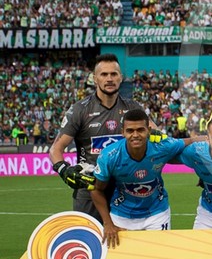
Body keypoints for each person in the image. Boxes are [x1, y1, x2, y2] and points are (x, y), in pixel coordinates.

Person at [49, 54, 146, 223]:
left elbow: (156, 136)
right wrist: (64, 170)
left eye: (114, 74)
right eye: (104, 74)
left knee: (126, 239)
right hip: (90, 189)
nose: (109, 79)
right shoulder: (80, 110)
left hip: (126, 189)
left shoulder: (133, 108)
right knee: (91, 238)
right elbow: (56, 149)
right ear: (95, 78)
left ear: (121, 77)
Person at [91, 109, 196, 247]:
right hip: (122, 215)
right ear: (123, 132)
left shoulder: (162, 146)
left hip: (157, 213)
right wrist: (108, 223)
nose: (135, 135)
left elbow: (191, 141)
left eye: (140, 130)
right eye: (130, 131)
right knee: (124, 258)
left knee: (159, 255)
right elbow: (96, 190)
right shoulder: (109, 156)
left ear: (149, 130)